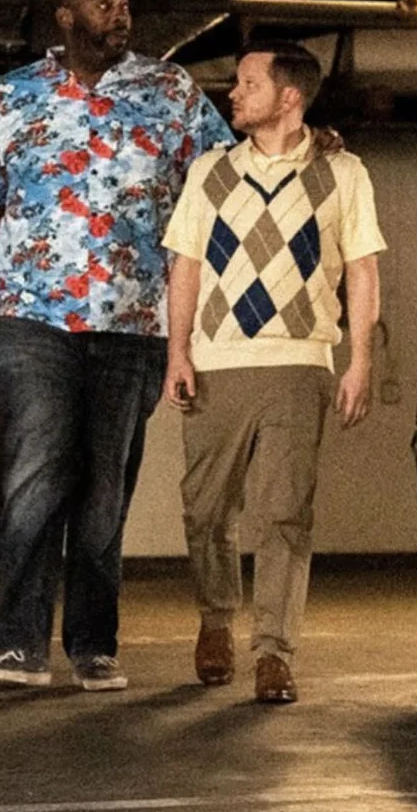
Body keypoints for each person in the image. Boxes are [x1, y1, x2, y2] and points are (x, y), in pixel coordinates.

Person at [0, 0, 235, 693]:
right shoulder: (15, 95)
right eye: (104, 3)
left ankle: (93, 644)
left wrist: (310, 139)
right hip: (29, 317)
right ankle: (17, 646)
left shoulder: (172, 94)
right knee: (37, 477)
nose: (121, 13)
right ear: (67, 18)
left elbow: (236, 175)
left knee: (105, 490)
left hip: (134, 321)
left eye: (127, 2)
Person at [160, 41, 386, 705]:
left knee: (283, 512)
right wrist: (177, 350)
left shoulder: (344, 172)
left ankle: (273, 652)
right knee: (205, 510)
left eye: (248, 83)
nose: (233, 92)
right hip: (216, 359)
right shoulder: (210, 172)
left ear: (290, 96)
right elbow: (186, 266)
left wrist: (360, 360)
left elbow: (364, 269)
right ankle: (214, 619)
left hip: (299, 360)